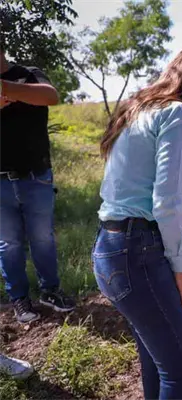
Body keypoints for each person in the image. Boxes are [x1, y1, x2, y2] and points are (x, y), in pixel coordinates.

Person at [92, 47, 182, 400]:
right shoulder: (178, 113)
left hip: (110, 248)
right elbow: (167, 202)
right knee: (180, 367)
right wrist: (180, 270)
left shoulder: (139, 109)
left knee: (157, 361)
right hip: (138, 252)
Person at [0, 42, 76, 324]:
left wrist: (5, 89)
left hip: (36, 176)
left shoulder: (28, 74)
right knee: (8, 244)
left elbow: (50, 96)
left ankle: (50, 291)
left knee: (42, 238)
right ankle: (19, 300)